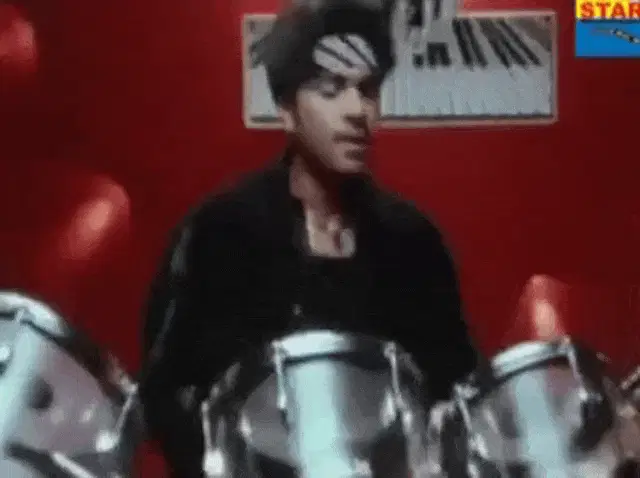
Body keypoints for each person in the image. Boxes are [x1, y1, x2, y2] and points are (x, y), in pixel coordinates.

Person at [139, 1, 479, 476]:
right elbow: (165, 392)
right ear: (287, 111)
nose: (357, 111)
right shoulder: (220, 234)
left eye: (368, 90)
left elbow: (455, 391)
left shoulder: (413, 243)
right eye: (331, 89)